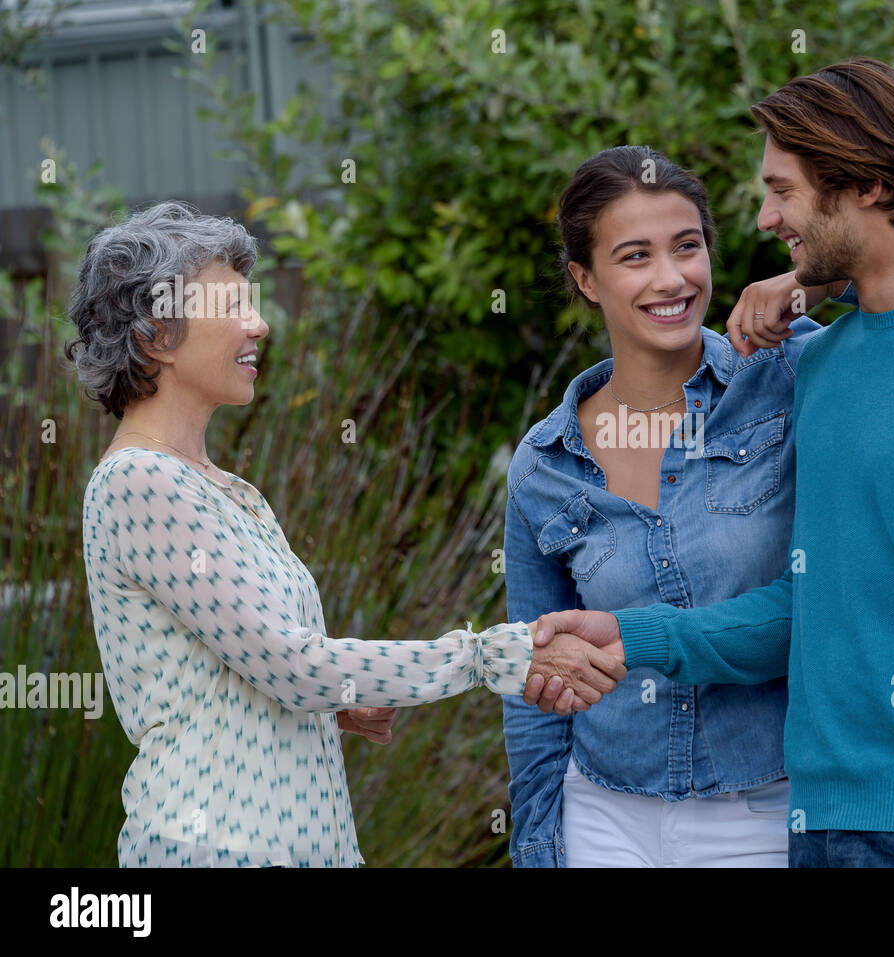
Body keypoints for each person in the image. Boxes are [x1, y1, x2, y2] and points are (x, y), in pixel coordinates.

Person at [530, 58, 894, 869]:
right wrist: (633, 634)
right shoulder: (825, 364)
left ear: (867, 183)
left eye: (783, 190)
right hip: (817, 827)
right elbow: (811, 605)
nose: (766, 218)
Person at [67, 201, 624, 867]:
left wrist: (337, 703)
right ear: (157, 334)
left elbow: (249, 668)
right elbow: (293, 667)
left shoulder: (224, 488)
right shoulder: (140, 481)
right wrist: (492, 655)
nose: (260, 324)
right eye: (234, 306)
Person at [501, 146, 827, 867]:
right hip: (602, 815)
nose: (672, 278)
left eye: (687, 246)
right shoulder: (545, 465)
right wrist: (537, 842)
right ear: (585, 279)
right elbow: (534, 681)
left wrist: (811, 283)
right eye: (635, 256)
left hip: (762, 807)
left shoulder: (787, 376)